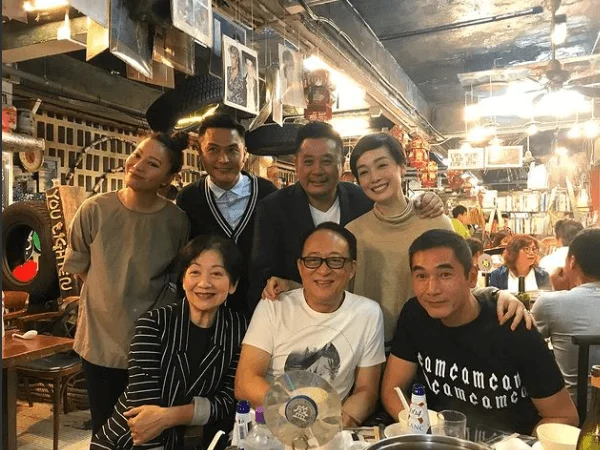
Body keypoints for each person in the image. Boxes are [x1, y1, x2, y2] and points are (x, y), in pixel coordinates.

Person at [381, 229, 578, 435]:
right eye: (421, 275)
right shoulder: (415, 315)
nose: (432, 289)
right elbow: (392, 389)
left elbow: (564, 417)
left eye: (445, 274)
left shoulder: (511, 324)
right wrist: (420, 429)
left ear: (472, 276)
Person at [64, 133, 190, 434]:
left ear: (169, 178)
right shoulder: (94, 209)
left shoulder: (177, 221)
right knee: (105, 430)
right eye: (136, 155)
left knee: (145, 432)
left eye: (153, 163)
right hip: (100, 342)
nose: (137, 165)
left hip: (152, 344)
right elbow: (81, 267)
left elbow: (178, 278)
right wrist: (108, 293)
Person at [249, 121, 444, 309]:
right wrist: (288, 288)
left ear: (341, 165)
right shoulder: (272, 209)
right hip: (298, 317)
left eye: (327, 161)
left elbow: (394, 209)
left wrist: (424, 200)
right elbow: (262, 278)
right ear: (296, 164)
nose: (317, 170)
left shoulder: (364, 200)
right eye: (308, 162)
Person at [91, 235, 248, 450]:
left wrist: (168, 417)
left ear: (233, 284)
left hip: (187, 443)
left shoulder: (238, 329)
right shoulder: (153, 324)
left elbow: (226, 401)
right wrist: (190, 413)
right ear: (183, 280)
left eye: (217, 273)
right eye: (195, 272)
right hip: (128, 440)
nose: (204, 283)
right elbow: (144, 417)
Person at [236, 222, 385, 428]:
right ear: (300, 267)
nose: (323, 270)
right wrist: (300, 412)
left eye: (335, 261)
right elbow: (245, 382)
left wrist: (343, 420)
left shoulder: (368, 313)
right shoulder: (274, 305)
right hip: (270, 429)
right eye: (313, 260)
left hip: (329, 430)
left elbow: (366, 390)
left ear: (352, 269)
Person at [345, 132, 455, 345]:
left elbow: (460, 284)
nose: (374, 177)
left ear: (402, 167)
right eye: (364, 172)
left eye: (382, 165)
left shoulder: (437, 224)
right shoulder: (352, 233)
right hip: (371, 347)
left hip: (431, 344)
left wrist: (494, 295)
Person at [176, 114, 277, 315]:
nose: (223, 159)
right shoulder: (189, 199)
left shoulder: (269, 194)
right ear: (200, 153)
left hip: (263, 309)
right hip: (208, 313)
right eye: (213, 149)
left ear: (245, 153)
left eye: (232, 150)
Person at [532, 228, 600, 401]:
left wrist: (557, 292)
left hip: (573, 412)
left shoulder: (550, 304)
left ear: (572, 261)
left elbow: (524, 350)